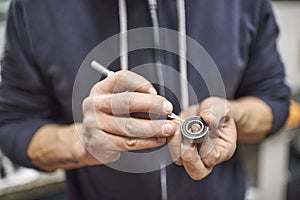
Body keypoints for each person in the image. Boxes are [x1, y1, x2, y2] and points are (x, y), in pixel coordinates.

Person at [0, 0, 290, 199]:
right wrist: (82, 142)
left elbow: (273, 101)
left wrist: (232, 115)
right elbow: (15, 127)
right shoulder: (35, 8)